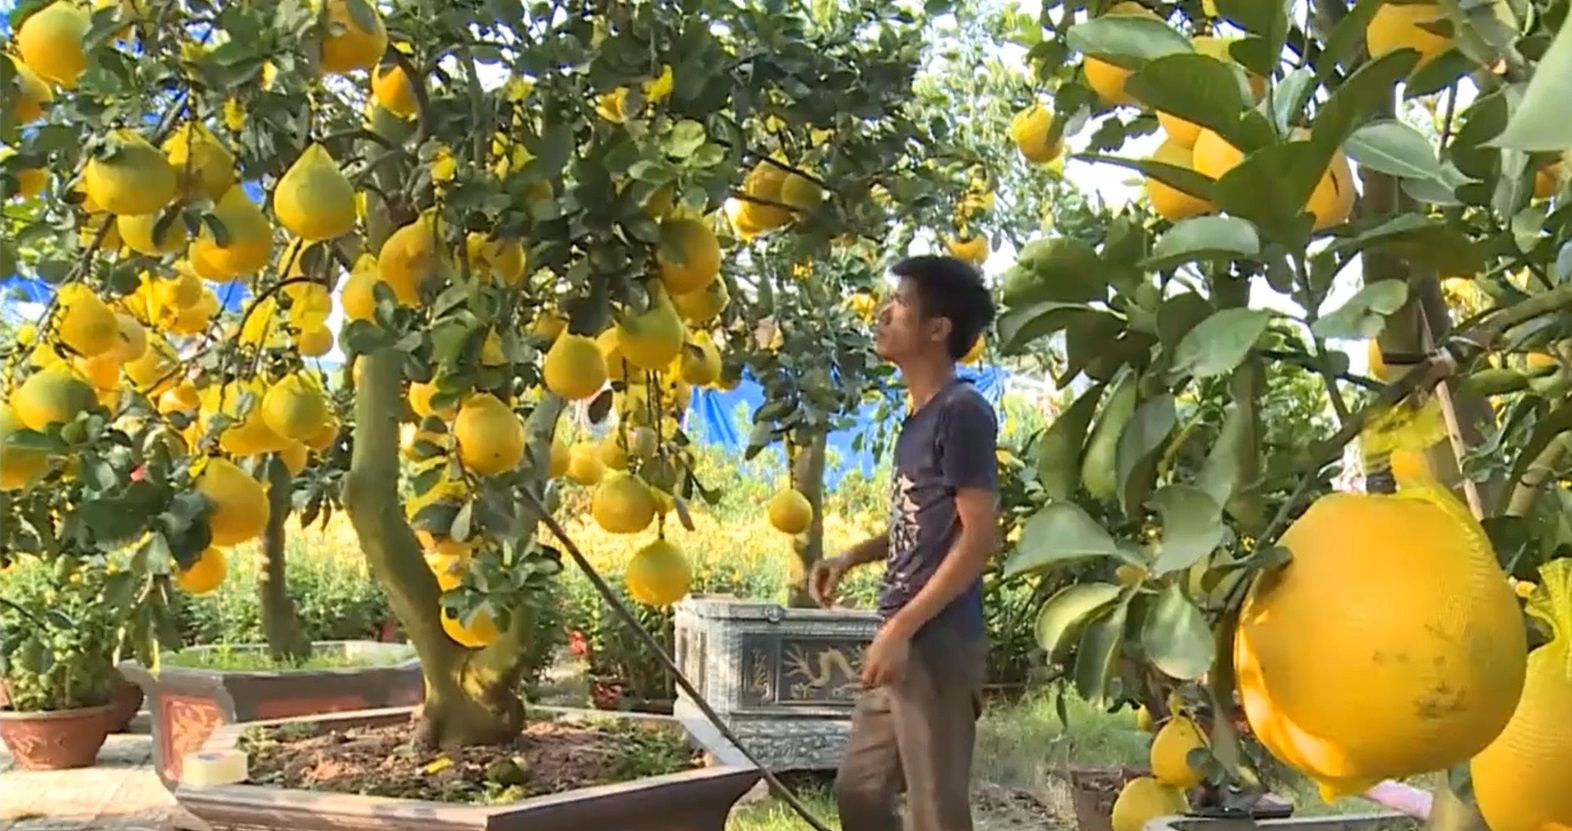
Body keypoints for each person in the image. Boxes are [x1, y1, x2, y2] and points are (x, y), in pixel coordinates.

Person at [813, 254, 1001, 831]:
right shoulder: (919, 418)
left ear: (937, 329)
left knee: (935, 816)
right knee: (861, 794)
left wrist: (901, 628)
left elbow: (979, 539)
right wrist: (853, 555)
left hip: (936, 640)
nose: (883, 314)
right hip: (902, 636)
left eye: (899, 305)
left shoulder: (962, 411)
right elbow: (922, 522)